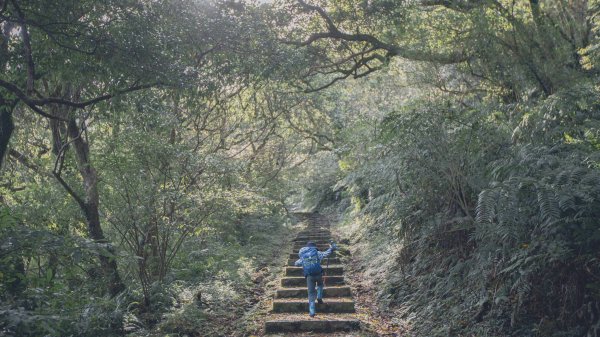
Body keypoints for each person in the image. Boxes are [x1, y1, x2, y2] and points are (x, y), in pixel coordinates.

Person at [294, 240, 337, 317]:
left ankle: (312, 311)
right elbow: (325, 254)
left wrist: (304, 263)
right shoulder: (317, 252)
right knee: (320, 284)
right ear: (314, 247)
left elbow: (296, 264)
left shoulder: (303, 254)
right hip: (318, 274)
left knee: (311, 293)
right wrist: (331, 249)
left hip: (309, 276)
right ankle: (319, 297)